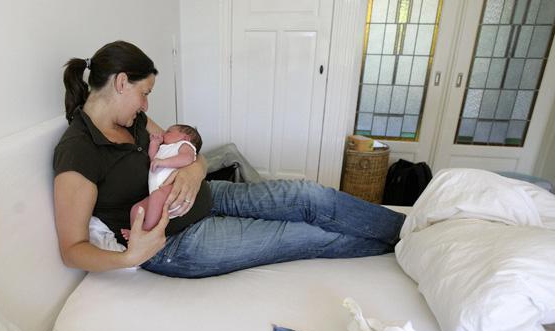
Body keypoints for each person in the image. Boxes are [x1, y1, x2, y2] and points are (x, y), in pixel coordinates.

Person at [53, 40, 406, 279]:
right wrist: (129, 258)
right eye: (144, 94)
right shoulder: (79, 151)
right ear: (120, 83)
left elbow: (191, 155)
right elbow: (72, 249)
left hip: (211, 195)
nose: (146, 105)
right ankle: (406, 251)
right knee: (302, 236)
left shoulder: (137, 121)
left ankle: (409, 232)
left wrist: (195, 171)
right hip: (177, 243)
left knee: (307, 195)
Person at [122, 124, 203, 239]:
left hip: (172, 188)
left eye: (169, 131)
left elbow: (187, 158)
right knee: (137, 208)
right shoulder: (164, 148)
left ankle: (145, 232)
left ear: (185, 138)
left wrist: (163, 162)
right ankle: (135, 231)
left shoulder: (184, 145)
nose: (164, 133)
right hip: (158, 192)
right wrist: (154, 144)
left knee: (156, 196)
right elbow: (153, 159)